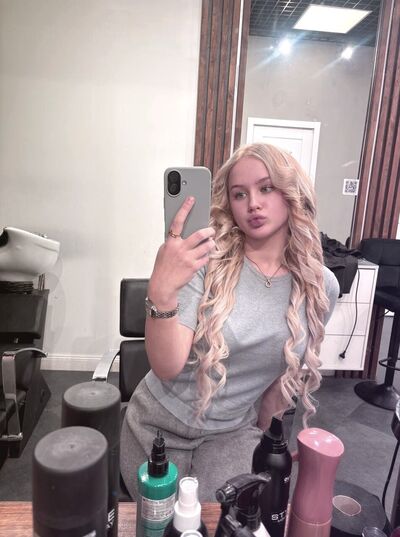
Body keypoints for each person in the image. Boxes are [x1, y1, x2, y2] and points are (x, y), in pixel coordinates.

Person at [120, 143, 340, 501]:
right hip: (156, 425)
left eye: (266, 188)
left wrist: (269, 443)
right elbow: (166, 366)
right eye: (239, 194)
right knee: (160, 518)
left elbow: (280, 380)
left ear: (291, 192)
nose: (253, 203)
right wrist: (161, 291)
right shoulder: (206, 262)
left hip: (231, 432)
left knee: (228, 519)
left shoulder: (319, 286)